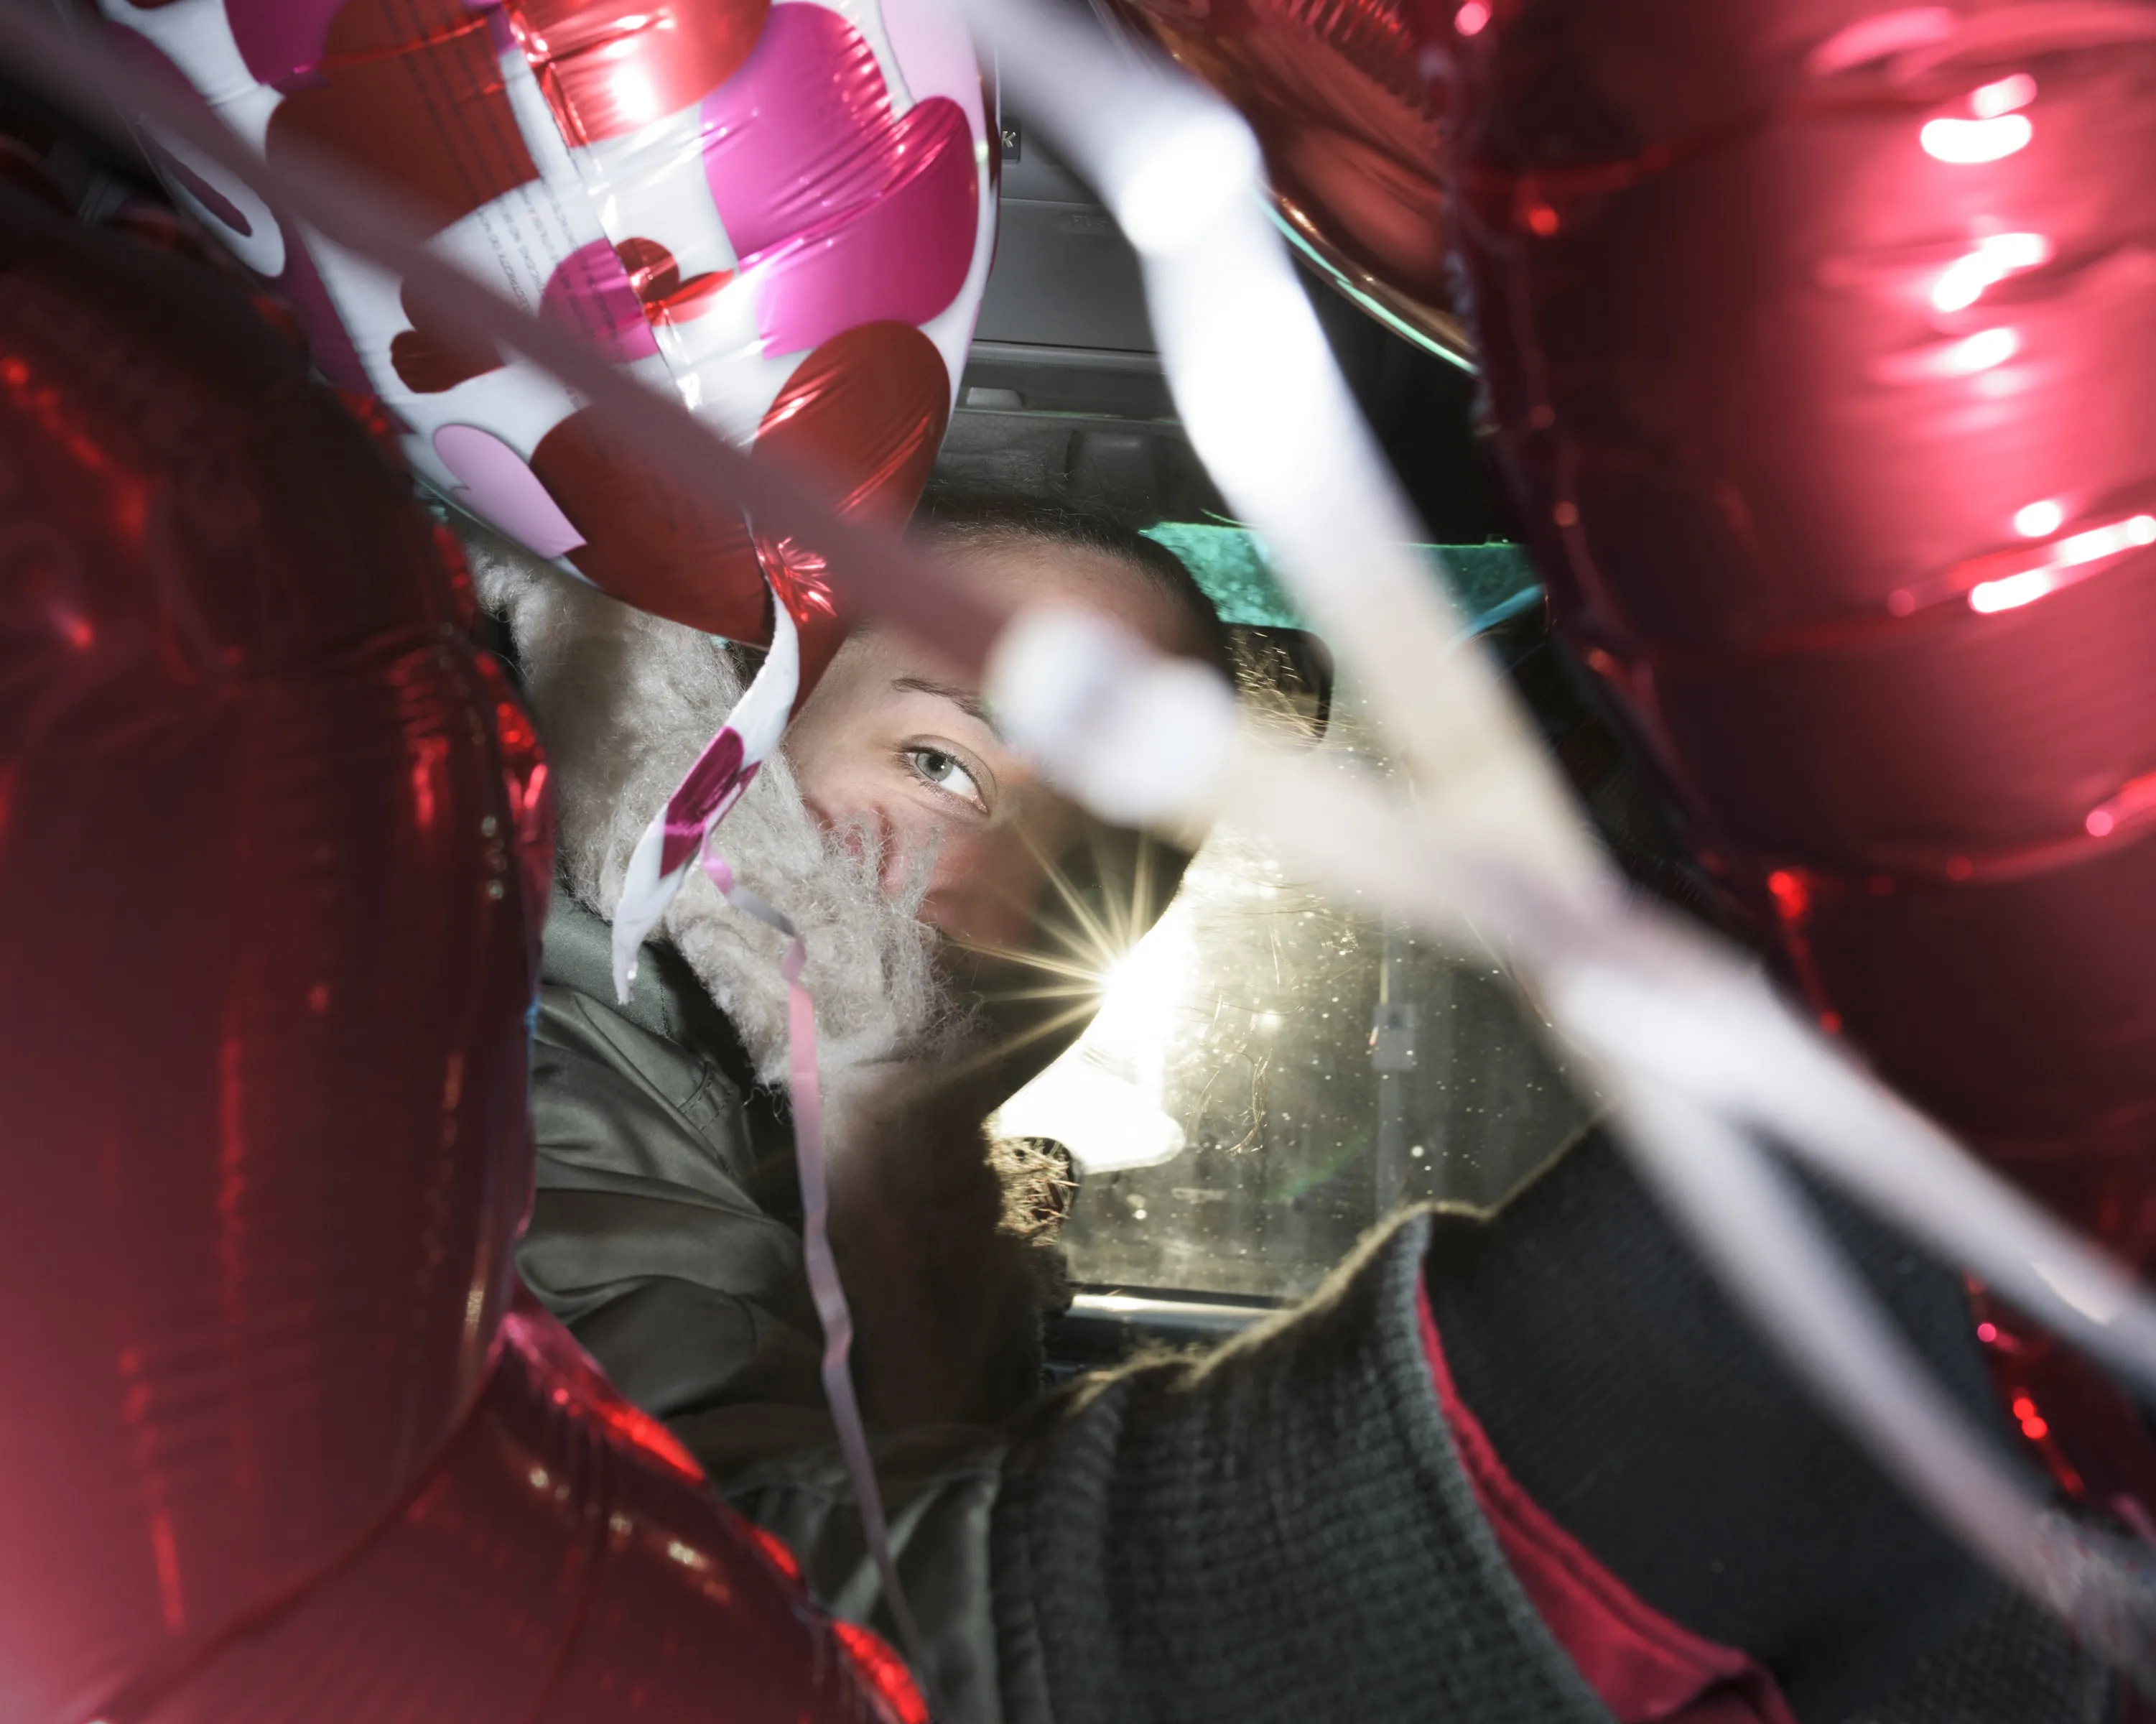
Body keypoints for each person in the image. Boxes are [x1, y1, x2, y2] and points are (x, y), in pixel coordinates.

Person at [467, 506, 2113, 1724]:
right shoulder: (494, 1015)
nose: (972, 888)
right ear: (734, 726)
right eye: (944, 765)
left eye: (1087, 868)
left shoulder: (883, 1206)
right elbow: (670, 1618)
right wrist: (1594, 1405)